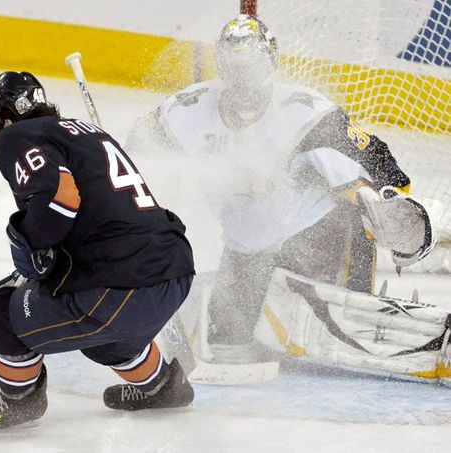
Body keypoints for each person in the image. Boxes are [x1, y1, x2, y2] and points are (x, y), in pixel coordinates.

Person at [125, 15, 435, 366]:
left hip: (321, 239)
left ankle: (359, 305)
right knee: (231, 345)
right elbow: (133, 147)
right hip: (247, 249)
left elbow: (374, 155)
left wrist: (396, 207)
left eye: (253, 67)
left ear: (271, 64)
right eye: (235, 67)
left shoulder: (305, 113)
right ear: (222, 67)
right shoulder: (188, 111)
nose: (244, 79)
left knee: (336, 343)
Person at [0, 71, 196, 432]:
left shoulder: (16, 136)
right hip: (174, 270)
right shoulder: (86, 131)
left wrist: (32, 248)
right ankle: (162, 387)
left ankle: (20, 401)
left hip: (120, 287)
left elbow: (62, 199)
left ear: (5, 117)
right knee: (105, 342)